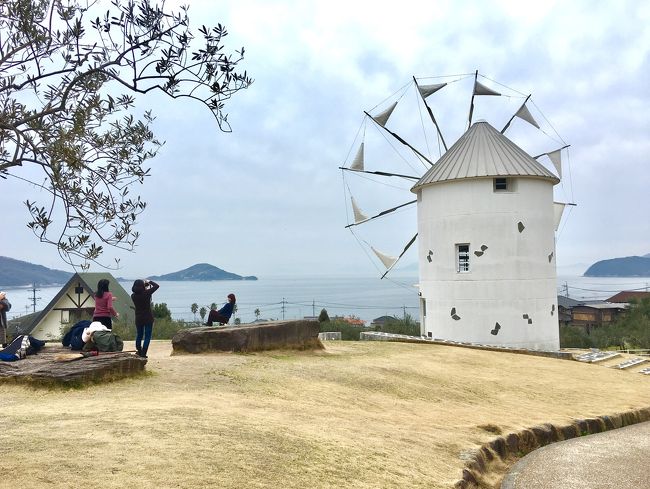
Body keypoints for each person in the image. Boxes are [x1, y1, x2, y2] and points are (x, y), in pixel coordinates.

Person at [131, 279, 159, 358]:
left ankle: (139, 351)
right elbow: (156, 286)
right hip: (148, 317)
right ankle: (144, 353)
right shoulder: (147, 293)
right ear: (142, 286)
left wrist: (144, 286)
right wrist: (149, 281)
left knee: (139, 335)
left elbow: (141, 291)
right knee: (147, 336)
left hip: (138, 317)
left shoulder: (133, 296)